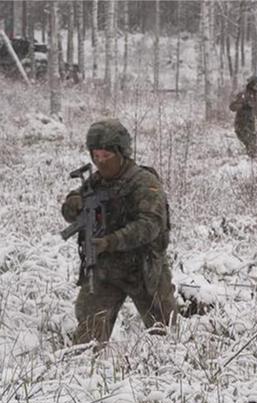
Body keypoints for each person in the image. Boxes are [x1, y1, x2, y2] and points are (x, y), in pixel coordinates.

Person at [61, 119, 178, 344]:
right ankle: (83, 376)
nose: (100, 162)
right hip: (106, 269)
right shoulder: (96, 182)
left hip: (143, 269)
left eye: (106, 156)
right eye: (96, 156)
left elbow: (150, 225)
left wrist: (111, 241)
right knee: (87, 340)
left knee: (166, 338)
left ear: (121, 152)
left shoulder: (144, 183)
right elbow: (72, 209)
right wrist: (73, 202)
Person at [229, 75, 257, 158]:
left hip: (251, 126)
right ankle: (244, 163)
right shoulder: (243, 94)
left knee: (253, 147)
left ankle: (251, 165)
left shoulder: (256, 98)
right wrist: (243, 105)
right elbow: (232, 106)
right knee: (250, 146)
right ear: (251, 84)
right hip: (241, 125)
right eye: (255, 84)